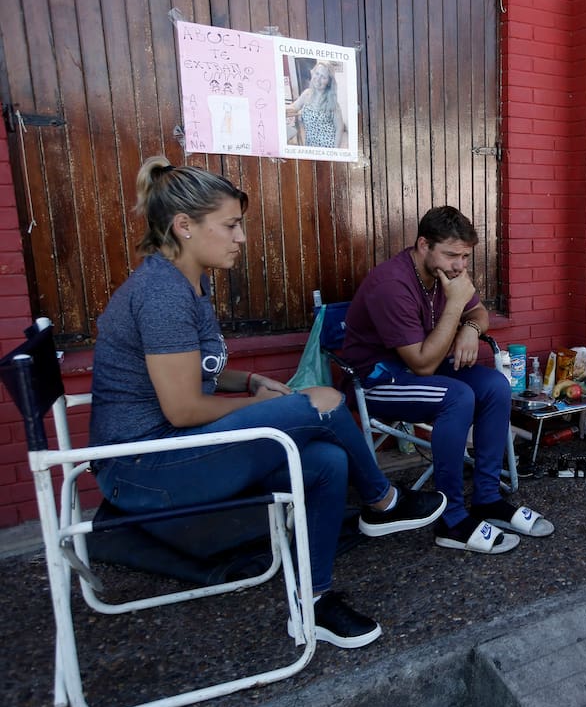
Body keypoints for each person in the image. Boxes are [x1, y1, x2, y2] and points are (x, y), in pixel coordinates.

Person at [88, 157, 446, 649]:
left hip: (176, 448)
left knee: (324, 460)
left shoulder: (189, 282)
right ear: (184, 226)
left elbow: (194, 371)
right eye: (231, 225)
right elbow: (183, 409)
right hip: (142, 467)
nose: (240, 238)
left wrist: (252, 379)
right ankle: (381, 500)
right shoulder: (161, 294)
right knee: (320, 403)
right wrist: (284, 406)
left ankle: (313, 603)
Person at [341, 205, 554, 555]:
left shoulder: (447, 275)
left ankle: (487, 498)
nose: (459, 266)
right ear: (423, 245)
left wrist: (470, 329)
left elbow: (479, 312)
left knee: (495, 387)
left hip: (422, 368)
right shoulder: (391, 283)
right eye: (452, 255)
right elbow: (423, 365)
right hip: (377, 381)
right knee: (457, 397)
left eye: (466, 257)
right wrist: (456, 307)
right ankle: (452, 518)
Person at [285, 61, 347, 149]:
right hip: (310, 144)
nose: (318, 79)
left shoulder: (333, 103)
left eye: (323, 77)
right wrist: (279, 108)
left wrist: (335, 151)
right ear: (313, 73)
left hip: (327, 146)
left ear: (329, 82)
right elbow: (295, 107)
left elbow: (339, 128)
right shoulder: (306, 94)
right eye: (317, 73)